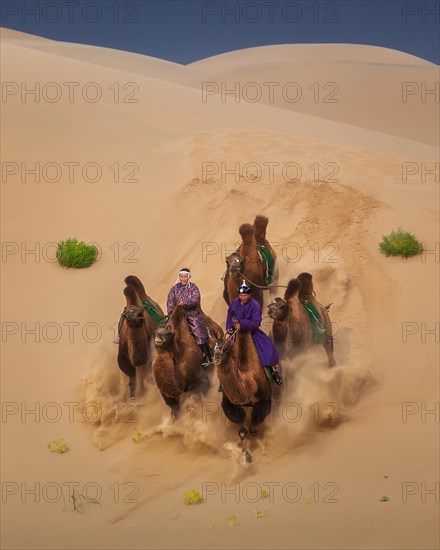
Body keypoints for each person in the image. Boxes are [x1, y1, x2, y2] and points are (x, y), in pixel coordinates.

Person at [225, 280, 283, 386]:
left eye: (245, 295)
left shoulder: (255, 305)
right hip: (236, 333)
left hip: (252, 332)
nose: (242, 297)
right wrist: (229, 326)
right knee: (225, 352)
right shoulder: (234, 303)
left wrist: (242, 324)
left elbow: (256, 322)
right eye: (241, 295)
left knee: (267, 348)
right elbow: (229, 315)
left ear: (249, 295)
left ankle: (273, 371)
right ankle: (225, 380)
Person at [166, 267, 212, 367]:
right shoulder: (174, 288)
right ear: (179, 277)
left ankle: (208, 357)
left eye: (185, 277)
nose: (183, 279)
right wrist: (170, 311)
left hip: (191, 314)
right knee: (166, 330)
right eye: (181, 277)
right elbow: (169, 301)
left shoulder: (193, 288)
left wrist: (185, 303)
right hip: (177, 315)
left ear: (188, 277)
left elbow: (196, 300)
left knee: (198, 330)